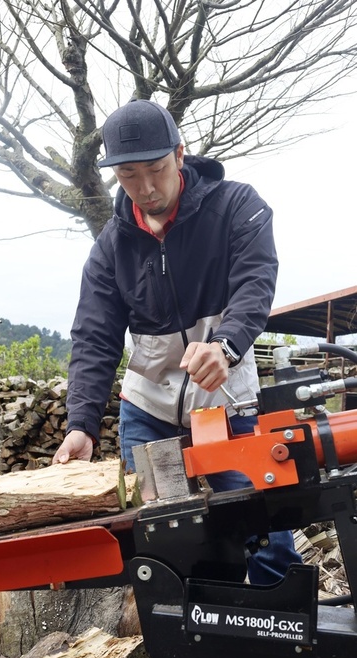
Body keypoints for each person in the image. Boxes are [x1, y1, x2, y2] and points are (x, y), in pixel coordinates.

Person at [52, 99, 301, 585]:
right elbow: (94, 337)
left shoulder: (237, 207)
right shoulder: (110, 247)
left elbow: (256, 283)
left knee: (266, 527)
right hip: (149, 411)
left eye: (156, 169)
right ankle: (195, 638)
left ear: (181, 155)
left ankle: (280, 631)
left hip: (227, 401)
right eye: (128, 175)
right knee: (169, 537)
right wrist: (81, 423)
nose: (145, 188)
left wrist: (225, 346)